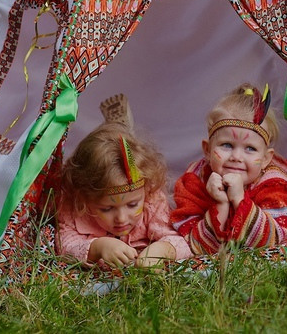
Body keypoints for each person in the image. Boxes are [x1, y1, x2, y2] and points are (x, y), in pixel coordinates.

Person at [171, 84, 287, 253]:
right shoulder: (194, 181)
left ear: (266, 159)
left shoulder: (274, 185)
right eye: (227, 145)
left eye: (250, 148)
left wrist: (239, 199)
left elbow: (270, 239)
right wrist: (221, 204)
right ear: (208, 150)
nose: (236, 157)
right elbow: (195, 243)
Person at [56, 94, 191, 269]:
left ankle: (121, 127)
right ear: (84, 199)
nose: (121, 218)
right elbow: (65, 247)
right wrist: (98, 247)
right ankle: (117, 127)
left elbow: (182, 242)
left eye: (132, 205)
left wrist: (162, 250)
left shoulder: (152, 199)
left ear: (145, 191)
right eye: (107, 208)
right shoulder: (75, 206)